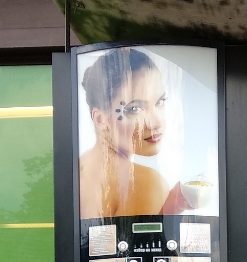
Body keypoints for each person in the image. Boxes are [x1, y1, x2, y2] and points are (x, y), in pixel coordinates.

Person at [79, 48, 189, 218]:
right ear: (100, 119)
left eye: (160, 101)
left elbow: (99, 239)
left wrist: (171, 206)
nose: (156, 122)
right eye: (135, 108)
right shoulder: (144, 182)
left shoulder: (80, 166)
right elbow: (145, 243)